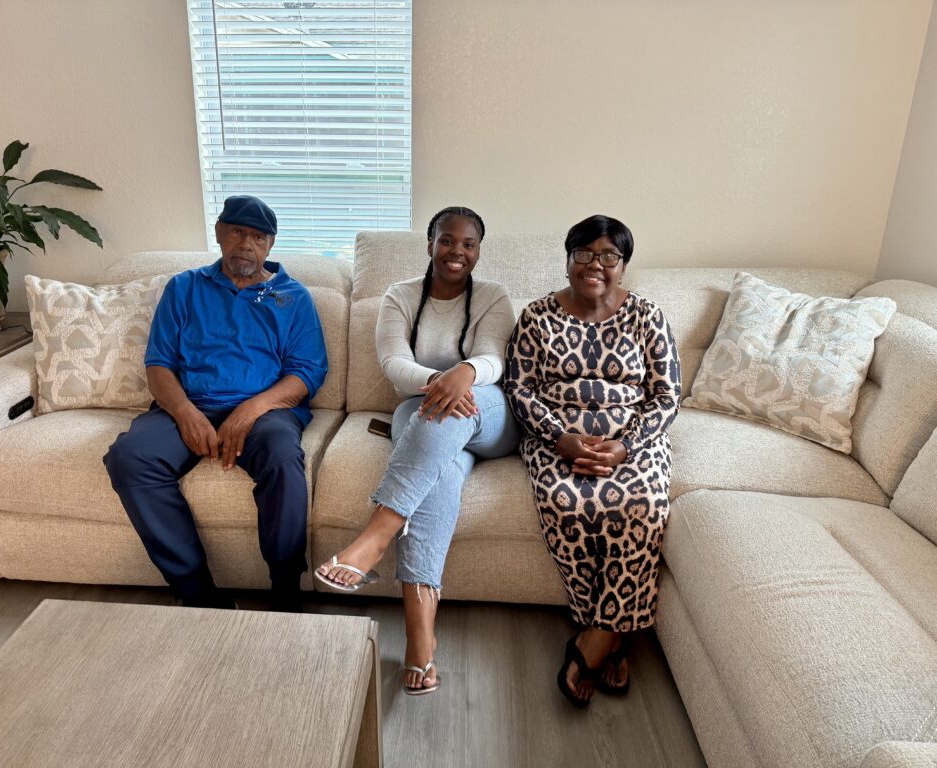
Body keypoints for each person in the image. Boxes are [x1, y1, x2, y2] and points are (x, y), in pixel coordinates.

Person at [314, 206, 519, 695]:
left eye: (468, 244)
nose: (457, 252)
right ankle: (419, 640)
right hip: (422, 403)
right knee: (440, 472)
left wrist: (463, 375)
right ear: (429, 244)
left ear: (478, 251)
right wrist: (437, 381)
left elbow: (494, 357)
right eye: (447, 241)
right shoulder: (400, 296)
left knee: (447, 413)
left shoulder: (493, 296)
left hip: (487, 410)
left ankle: (375, 536)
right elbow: (392, 362)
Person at [104, 195, 328, 612]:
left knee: (282, 456)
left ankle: (285, 590)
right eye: (238, 232)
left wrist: (250, 410)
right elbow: (158, 365)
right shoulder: (184, 288)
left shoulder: (292, 297)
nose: (247, 243)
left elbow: (306, 374)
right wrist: (186, 413)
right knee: (130, 457)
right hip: (189, 403)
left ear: (270, 245)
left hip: (266, 411)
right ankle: (197, 592)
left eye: (258, 237)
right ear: (219, 233)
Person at [503, 214, 681, 708]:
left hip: (632, 438)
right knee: (565, 501)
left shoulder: (647, 315)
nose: (594, 264)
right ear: (567, 261)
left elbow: (667, 395)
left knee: (642, 505)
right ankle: (612, 634)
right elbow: (518, 387)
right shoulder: (538, 317)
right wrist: (560, 438)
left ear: (622, 265)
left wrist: (627, 445)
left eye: (608, 255)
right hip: (556, 436)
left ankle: (594, 638)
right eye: (583, 253)